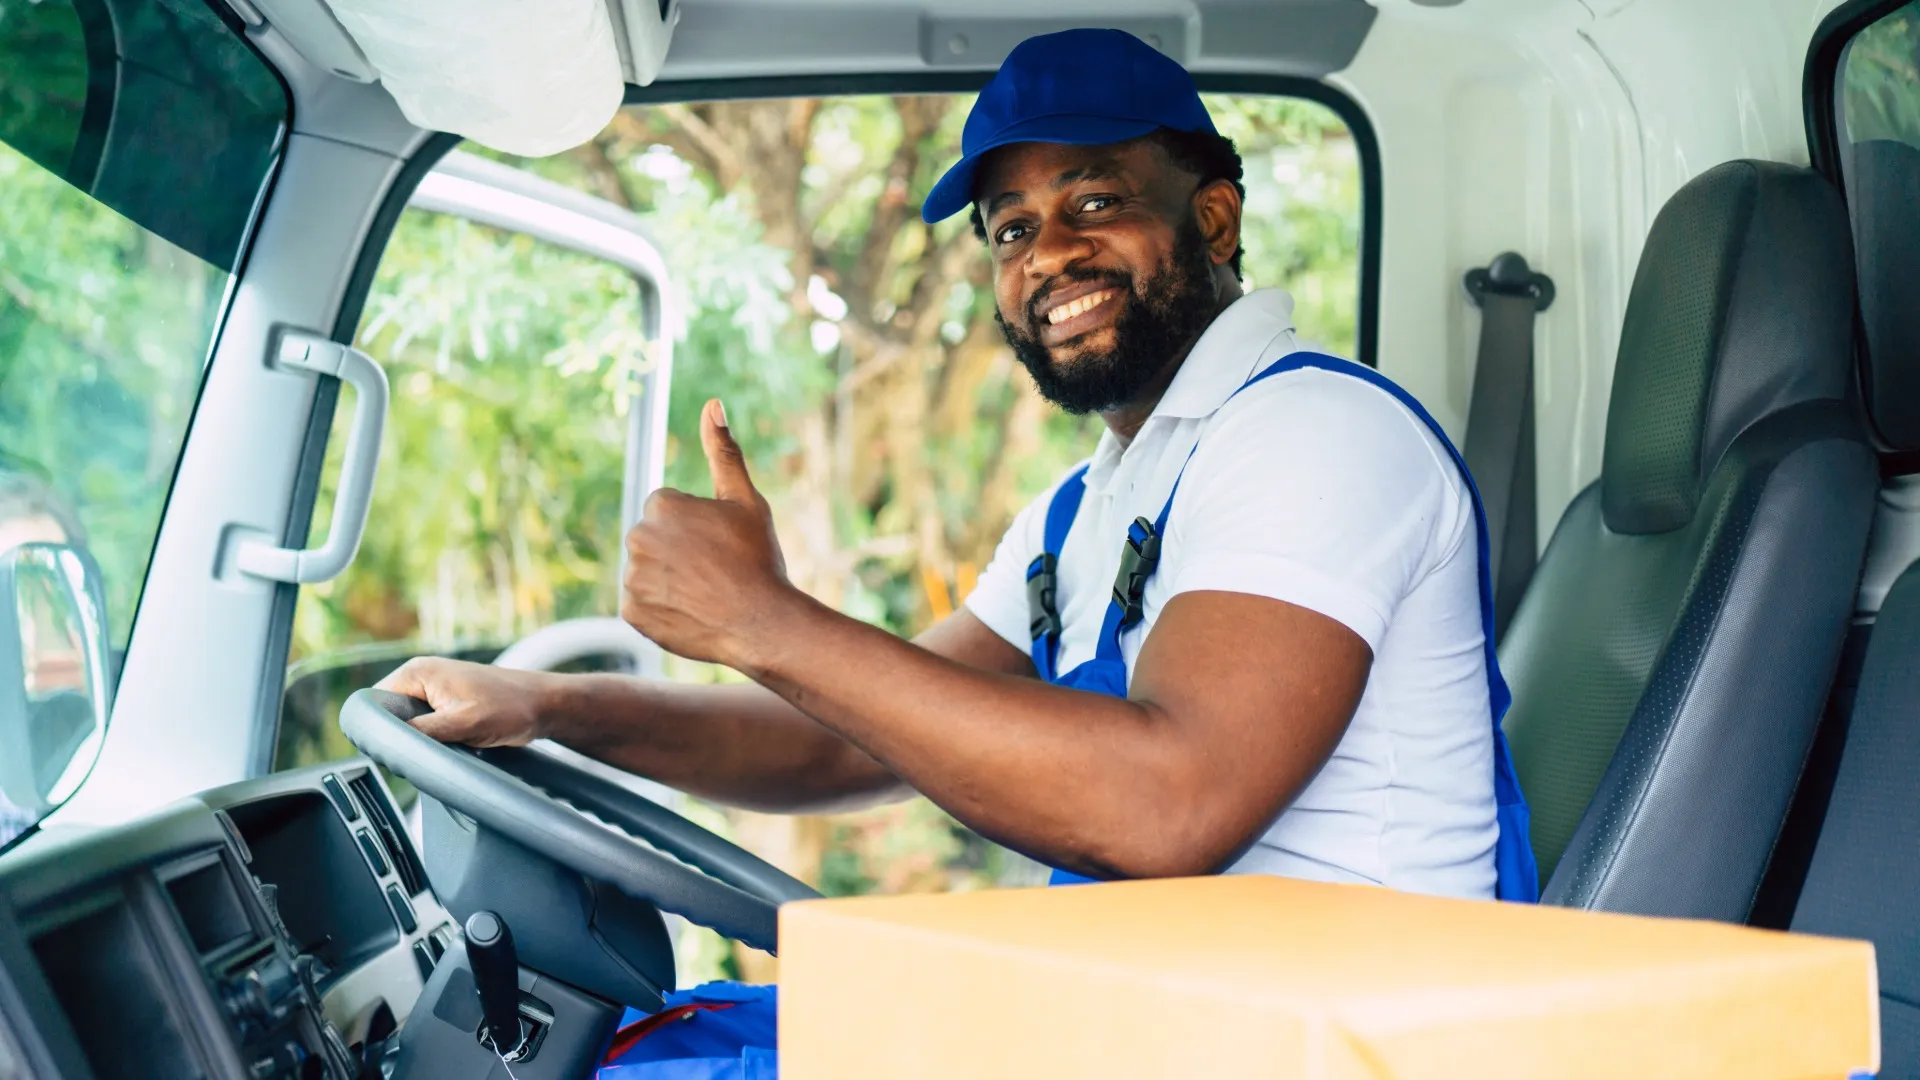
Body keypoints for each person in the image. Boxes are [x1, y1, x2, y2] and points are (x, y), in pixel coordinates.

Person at [388, 24, 1533, 1025]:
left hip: (1331, 1042)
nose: (1050, 256)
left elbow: (1171, 805)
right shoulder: (1089, 505)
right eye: (1011, 230)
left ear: (1217, 217)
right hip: (1162, 1020)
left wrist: (766, 622)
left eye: (1096, 201)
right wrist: (545, 709)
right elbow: (852, 735)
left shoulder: (1313, 435)